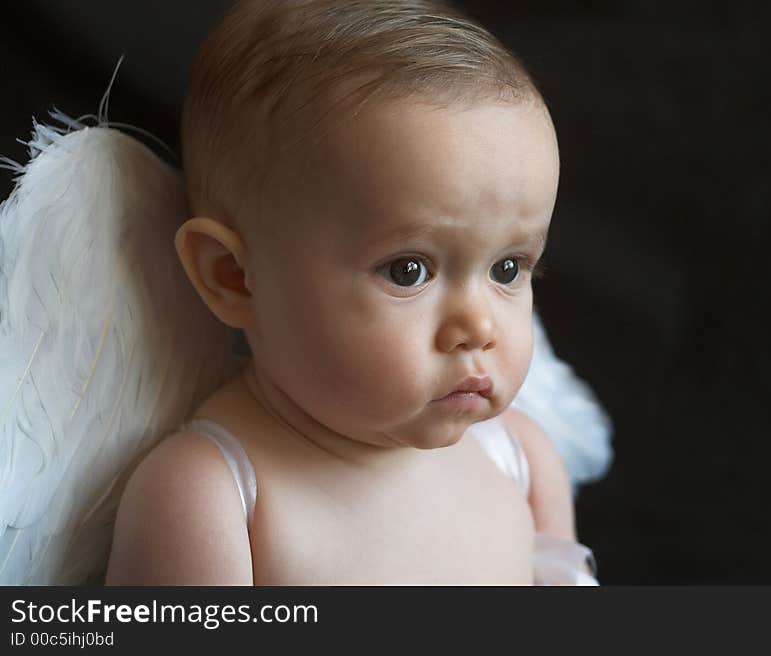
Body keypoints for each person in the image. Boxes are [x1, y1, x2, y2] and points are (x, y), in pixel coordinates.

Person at [101, 0, 598, 585]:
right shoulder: (214, 496)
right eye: (408, 270)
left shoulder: (521, 462)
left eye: (509, 269)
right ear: (233, 277)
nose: (479, 327)